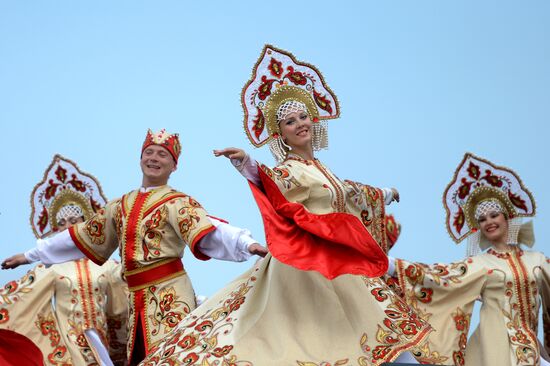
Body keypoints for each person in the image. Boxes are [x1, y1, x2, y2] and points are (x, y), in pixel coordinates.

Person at [137, 45, 431, 366]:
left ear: (314, 119)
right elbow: (272, 182)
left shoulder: (321, 169)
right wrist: (247, 163)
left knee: (368, 331)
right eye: (290, 122)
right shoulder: (289, 169)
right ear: (281, 135)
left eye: (303, 116)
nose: (300, 124)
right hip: (307, 260)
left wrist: (385, 193)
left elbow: (350, 193)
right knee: (307, 336)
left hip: (334, 254)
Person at [2, 132, 267, 365]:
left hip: (169, 295)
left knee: (172, 356)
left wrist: (247, 244)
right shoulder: (119, 206)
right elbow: (80, 235)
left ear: (174, 165)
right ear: (140, 158)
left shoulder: (176, 202)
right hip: (135, 298)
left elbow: (210, 228)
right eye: (149, 152)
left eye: (163, 154)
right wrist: (30, 255)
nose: (154, 158)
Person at [387, 153, 550, 366]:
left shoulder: (538, 261)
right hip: (492, 350)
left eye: (494, 215)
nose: (488, 222)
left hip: (529, 349)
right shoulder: (480, 264)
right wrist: (387, 264)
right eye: (482, 219)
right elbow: (437, 278)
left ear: (507, 216)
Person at [0, 154, 128, 365]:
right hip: (69, 348)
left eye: (74, 219)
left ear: (86, 223)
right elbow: (18, 298)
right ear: (56, 231)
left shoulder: (106, 265)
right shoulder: (50, 268)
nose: (68, 226)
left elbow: (125, 294)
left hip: (101, 345)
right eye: (62, 222)